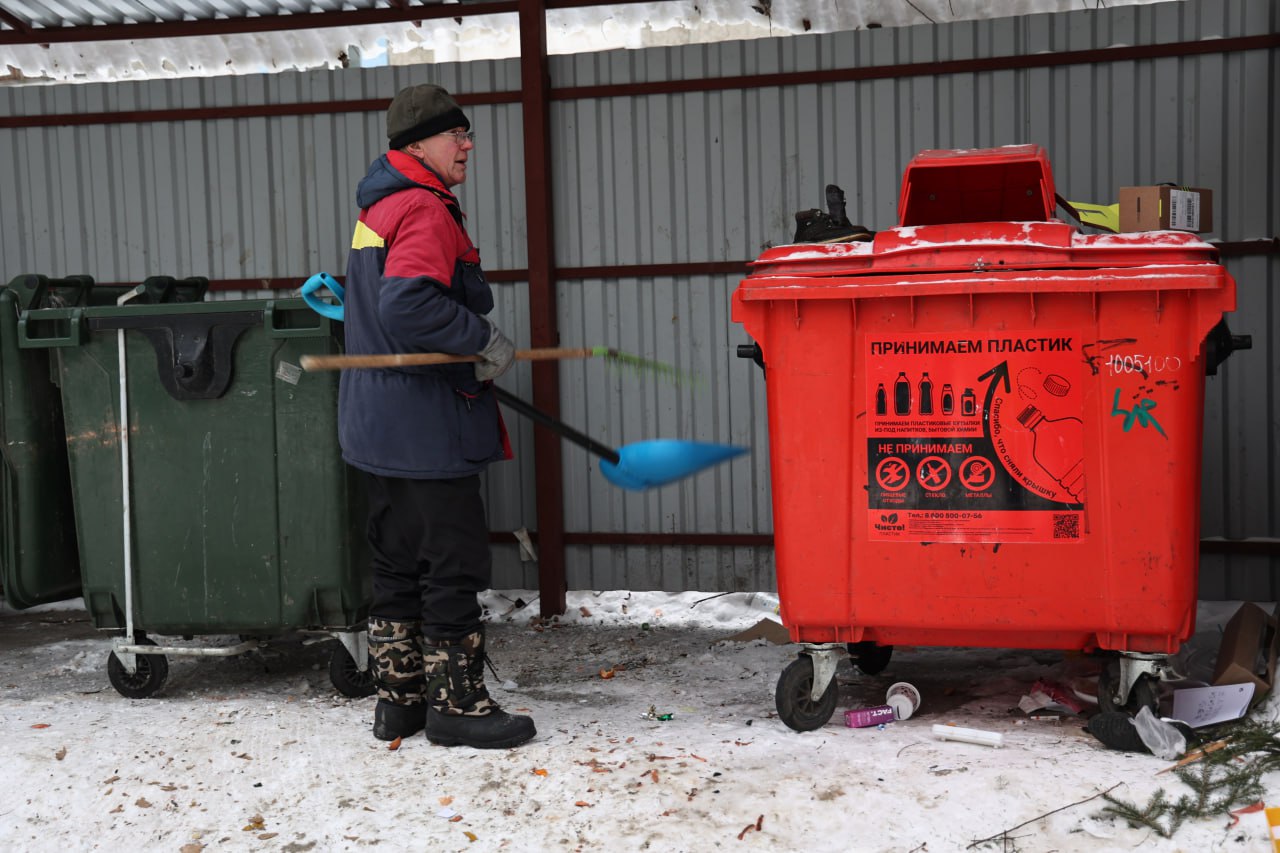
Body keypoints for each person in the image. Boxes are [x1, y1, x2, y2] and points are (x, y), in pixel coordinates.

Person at [338, 82, 536, 750]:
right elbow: (408, 305)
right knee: (451, 562)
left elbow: (379, 303)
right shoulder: (423, 207)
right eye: (457, 134)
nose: (468, 145)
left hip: (377, 422)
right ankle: (457, 706)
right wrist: (481, 339)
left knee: (397, 560)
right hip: (424, 425)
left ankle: (400, 703)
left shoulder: (380, 205)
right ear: (418, 145)